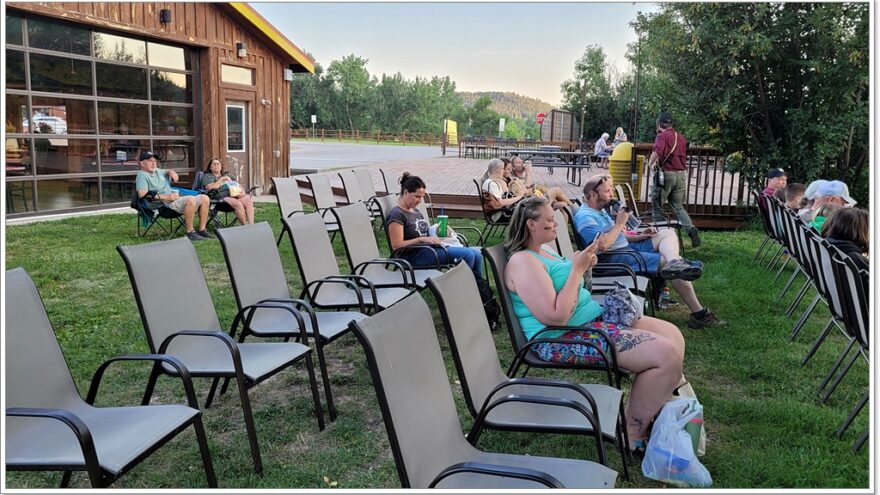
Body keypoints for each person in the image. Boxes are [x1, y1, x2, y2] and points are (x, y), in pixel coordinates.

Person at [503, 196, 685, 453]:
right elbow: (556, 317)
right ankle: (632, 434)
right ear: (531, 225)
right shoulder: (523, 262)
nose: (556, 224)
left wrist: (585, 267)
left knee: (672, 334)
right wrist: (576, 270)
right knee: (665, 355)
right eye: (550, 220)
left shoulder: (546, 251)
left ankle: (651, 405)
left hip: (590, 321)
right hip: (560, 337)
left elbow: (576, 293)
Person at [574, 174, 725, 329]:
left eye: (611, 189)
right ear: (592, 194)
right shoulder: (585, 217)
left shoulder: (599, 211)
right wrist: (619, 223)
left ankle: (675, 263)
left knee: (667, 233)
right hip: (614, 259)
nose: (611, 194)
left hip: (625, 249)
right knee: (664, 261)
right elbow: (602, 245)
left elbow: (615, 236)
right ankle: (699, 314)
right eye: (607, 191)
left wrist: (640, 236)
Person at [387, 172, 484, 278]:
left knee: (477, 255)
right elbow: (396, 245)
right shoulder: (397, 214)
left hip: (429, 250)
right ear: (405, 192)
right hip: (413, 256)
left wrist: (439, 231)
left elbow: (425, 233)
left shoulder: (415, 211)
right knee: (468, 255)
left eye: (422, 197)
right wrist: (420, 240)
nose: (420, 201)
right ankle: (461, 289)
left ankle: (478, 289)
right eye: (417, 196)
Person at [647, 112, 701, 248]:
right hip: (681, 175)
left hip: (667, 175)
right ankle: (690, 229)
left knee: (657, 205)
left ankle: (661, 236)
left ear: (659, 125)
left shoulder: (662, 136)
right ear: (671, 124)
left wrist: (650, 163)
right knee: (677, 206)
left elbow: (658, 151)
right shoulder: (681, 137)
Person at [135, 150, 212, 241]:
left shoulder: (157, 171)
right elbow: (142, 194)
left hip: (173, 200)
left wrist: (171, 172)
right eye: (150, 161)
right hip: (163, 205)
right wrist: (167, 197)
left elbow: (166, 171)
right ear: (142, 164)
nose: (153, 163)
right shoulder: (142, 176)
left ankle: (202, 230)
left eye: (154, 161)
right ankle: (190, 232)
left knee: (205, 198)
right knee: (190, 199)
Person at [199, 157, 255, 225]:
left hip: (235, 195)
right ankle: (245, 226)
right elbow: (210, 187)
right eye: (214, 164)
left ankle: (252, 225)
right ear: (210, 167)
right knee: (238, 204)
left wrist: (242, 192)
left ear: (221, 166)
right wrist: (222, 179)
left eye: (218, 164)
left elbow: (238, 185)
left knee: (248, 201)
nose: (216, 165)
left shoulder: (228, 175)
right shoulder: (207, 176)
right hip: (219, 199)